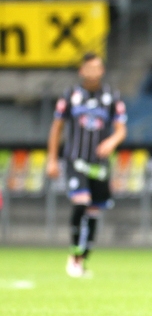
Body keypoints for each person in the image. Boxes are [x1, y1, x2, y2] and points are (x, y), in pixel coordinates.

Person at [45, 53, 127, 278]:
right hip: (76, 161)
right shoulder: (69, 96)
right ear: (82, 71)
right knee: (81, 202)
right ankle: (73, 254)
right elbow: (57, 128)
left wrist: (111, 141)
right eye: (89, 67)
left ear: (102, 70)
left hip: (99, 165)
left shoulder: (112, 97)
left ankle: (81, 259)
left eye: (97, 67)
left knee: (93, 213)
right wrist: (52, 159)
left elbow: (121, 129)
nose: (93, 71)